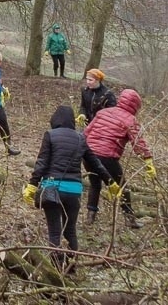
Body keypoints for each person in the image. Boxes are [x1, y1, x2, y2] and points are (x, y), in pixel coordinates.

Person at [22, 106, 119, 273]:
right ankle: (71, 268)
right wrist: (110, 182)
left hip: (52, 189)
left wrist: (32, 185)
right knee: (70, 231)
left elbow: (42, 163)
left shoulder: (50, 135)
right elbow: (96, 163)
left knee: (54, 233)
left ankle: (57, 270)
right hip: (74, 191)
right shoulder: (81, 138)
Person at [83, 88, 155, 228]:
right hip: (107, 157)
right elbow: (138, 143)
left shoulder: (103, 112)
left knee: (95, 184)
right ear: (135, 106)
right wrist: (148, 160)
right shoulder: (130, 120)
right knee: (123, 188)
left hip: (88, 154)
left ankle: (90, 218)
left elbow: (86, 133)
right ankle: (130, 219)